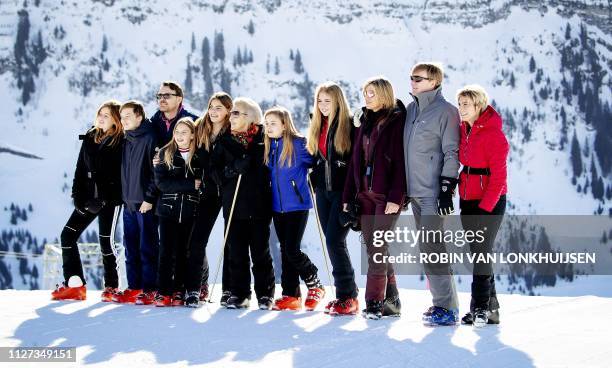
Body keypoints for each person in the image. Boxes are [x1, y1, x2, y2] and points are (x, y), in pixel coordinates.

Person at [342, 77, 406, 319]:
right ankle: (393, 298)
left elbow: (401, 163)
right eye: (365, 93)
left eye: (371, 93)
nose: (366, 97)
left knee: (377, 249)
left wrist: (396, 196)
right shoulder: (364, 122)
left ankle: (374, 303)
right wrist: (348, 197)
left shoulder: (397, 121)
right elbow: (354, 163)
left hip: (385, 197)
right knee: (375, 249)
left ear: (384, 95)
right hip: (364, 196)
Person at [402, 62, 461, 326]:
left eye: (419, 78)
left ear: (434, 81)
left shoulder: (446, 111)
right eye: (412, 77)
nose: (413, 81)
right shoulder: (411, 109)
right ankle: (447, 305)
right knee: (429, 249)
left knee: (432, 247)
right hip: (413, 191)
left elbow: (452, 152)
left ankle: (445, 308)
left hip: (433, 193)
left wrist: (447, 188)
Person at [51, 100, 124, 302]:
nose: (101, 117)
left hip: (110, 201)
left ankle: (112, 287)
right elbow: (80, 169)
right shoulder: (91, 136)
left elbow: (121, 176)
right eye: (100, 113)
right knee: (67, 236)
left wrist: (105, 198)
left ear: (116, 120)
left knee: (106, 242)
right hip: (88, 199)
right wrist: (78, 198)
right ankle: (75, 285)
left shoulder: (122, 142)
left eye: (106, 115)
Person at [211, 97, 275, 310]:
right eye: (232, 113)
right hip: (234, 204)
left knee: (260, 252)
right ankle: (240, 294)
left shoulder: (263, 141)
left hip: (259, 205)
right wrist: (232, 169)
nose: (232, 116)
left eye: (237, 113)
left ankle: (265, 294)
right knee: (237, 252)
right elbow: (215, 173)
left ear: (252, 119)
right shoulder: (223, 142)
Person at [456, 85, 508, 327]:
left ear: (479, 106)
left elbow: (498, 178)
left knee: (481, 253)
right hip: (467, 199)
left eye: (466, 104)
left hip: (489, 202)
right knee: (478, 252)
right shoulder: (463, 129)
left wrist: (485, 209)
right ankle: (491, 309)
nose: (461, 109)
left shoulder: (494, 135)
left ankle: (478, 309)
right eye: (460, 104)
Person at [263, 106, 325, 311]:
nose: (269, 127)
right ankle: (291, 294)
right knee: (284, 249)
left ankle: (314, 282)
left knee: (291, 248)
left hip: (297, 205)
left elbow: (316, 161)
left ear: (284, 124)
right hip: (276, 206)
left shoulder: (298, 145)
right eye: (266, 123)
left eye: (273, 123)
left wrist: (314, 182)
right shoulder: (268, 146)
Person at [306, 81, 360, 316]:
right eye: (320, 100)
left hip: (342, 193)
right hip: (323, 193)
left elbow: (356, 165)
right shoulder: (318, 124)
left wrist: (352, 199)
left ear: (338, 101)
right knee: (332, 240)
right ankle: (346, 295)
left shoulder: (349, 125)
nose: (323, 105)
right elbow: (318, 158)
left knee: (335, 241)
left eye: (328, 101)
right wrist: (314, 177)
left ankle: (348, 297)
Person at [184, 92, 233, 307]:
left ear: (228, 111)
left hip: (229, 190)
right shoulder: (200, 128)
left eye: (219, 108)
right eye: (211, 107)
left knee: (230, 240)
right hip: (208, 192)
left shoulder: (232, 131)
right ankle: (193, 289)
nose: (213, 112)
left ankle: (229, 290)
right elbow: (181, 145)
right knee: (197, 240)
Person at [113, 100, 159, 305]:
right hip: (128, 203)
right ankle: (134, 287)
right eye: (122, 117)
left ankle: (150, 288)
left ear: (139, 116)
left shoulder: (150, 137)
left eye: (128, 116)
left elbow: (156, 171)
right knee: (130, 247)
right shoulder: (125, 139)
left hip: (144, 204)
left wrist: (149, 198)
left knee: (147, 247)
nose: (124, 121)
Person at [153, 118, 202, 307]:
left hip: (190, 211)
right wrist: (190, 185)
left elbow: (203, 181)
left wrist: (194, 187)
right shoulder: (165, 153)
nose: (179, 136)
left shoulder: (198, 155)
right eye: (176, 132)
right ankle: (163, 292)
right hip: (168, 211)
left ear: (192, 135)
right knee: (166, 252)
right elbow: (162, 183)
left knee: (184, 252)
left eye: (184, 132)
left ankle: (179, 290)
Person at [150, 81, 198, 148]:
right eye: (159, 96)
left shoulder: (194, 122)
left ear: (179, 99)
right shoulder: (153, 122)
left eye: (167, 96)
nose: (162, 99)